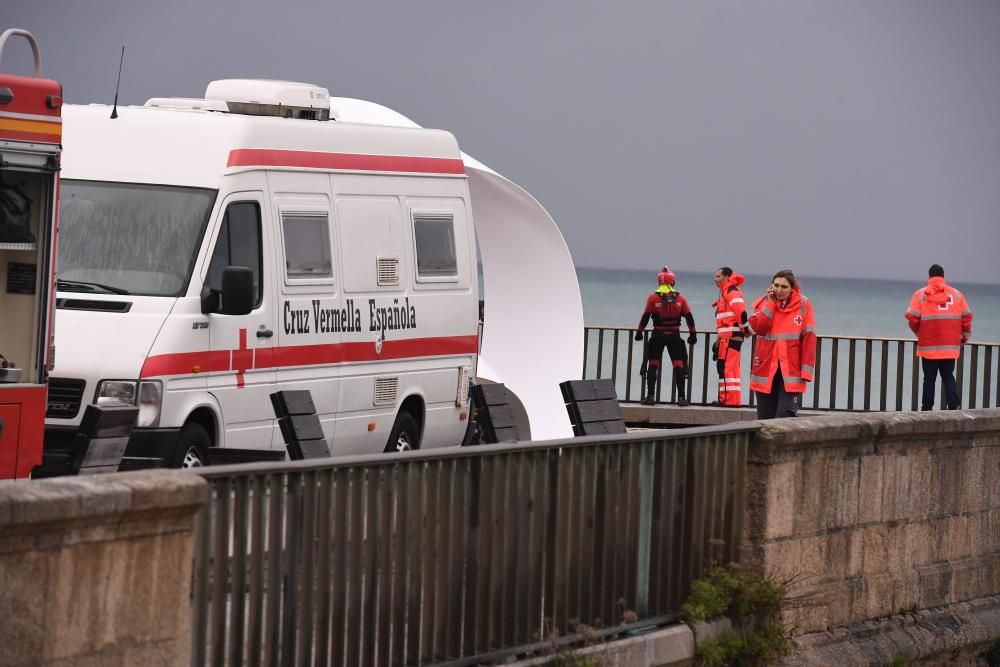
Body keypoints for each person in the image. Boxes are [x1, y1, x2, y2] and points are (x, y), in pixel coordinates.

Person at [748, 269, 816, 419]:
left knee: (784, 415)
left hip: (791, 371)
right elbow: (759, 328)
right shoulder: (763, 303)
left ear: (792, 288)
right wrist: (770, 303)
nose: (779, 290)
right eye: (776, 285)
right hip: (766, 370)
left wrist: (806, 371)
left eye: (784, 287)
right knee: (765, 419)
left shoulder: (804, 305)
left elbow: (809, 338)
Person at [905, 264, 973, 410]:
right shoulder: (956, 295)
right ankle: (954, 406)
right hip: (949, 346)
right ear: (943, 277)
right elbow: (966, 318)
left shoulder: (920, 294)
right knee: (948, 376)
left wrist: (920, 333)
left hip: (928, 346)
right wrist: (965, 337)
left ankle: (927, 409)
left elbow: (912, 317)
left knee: (929, 379)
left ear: (929, 277)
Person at [635, 266, 697, 406]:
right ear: (673, 281)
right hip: (674, 335)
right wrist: (693, 334)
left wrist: (639, 332)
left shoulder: (653, 298)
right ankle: (681, 398)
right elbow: (689, 318)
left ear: (659, 282)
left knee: (653, 365)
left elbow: (645, 317)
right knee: (678, 365)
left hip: (658, 335)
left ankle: (651, 397)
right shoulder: (680, 298)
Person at [712, 267, 749, 406]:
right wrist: (718, 340)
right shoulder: (726, 293)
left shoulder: (732, 292)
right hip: (725, 338)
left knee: (729, 370)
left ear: (727, 277)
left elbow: (741, 313)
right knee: (723, 368)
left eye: (718, 276)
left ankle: (731, 402)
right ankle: (725, 399)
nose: (715, 279)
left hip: (731, 338)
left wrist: (745, 331)